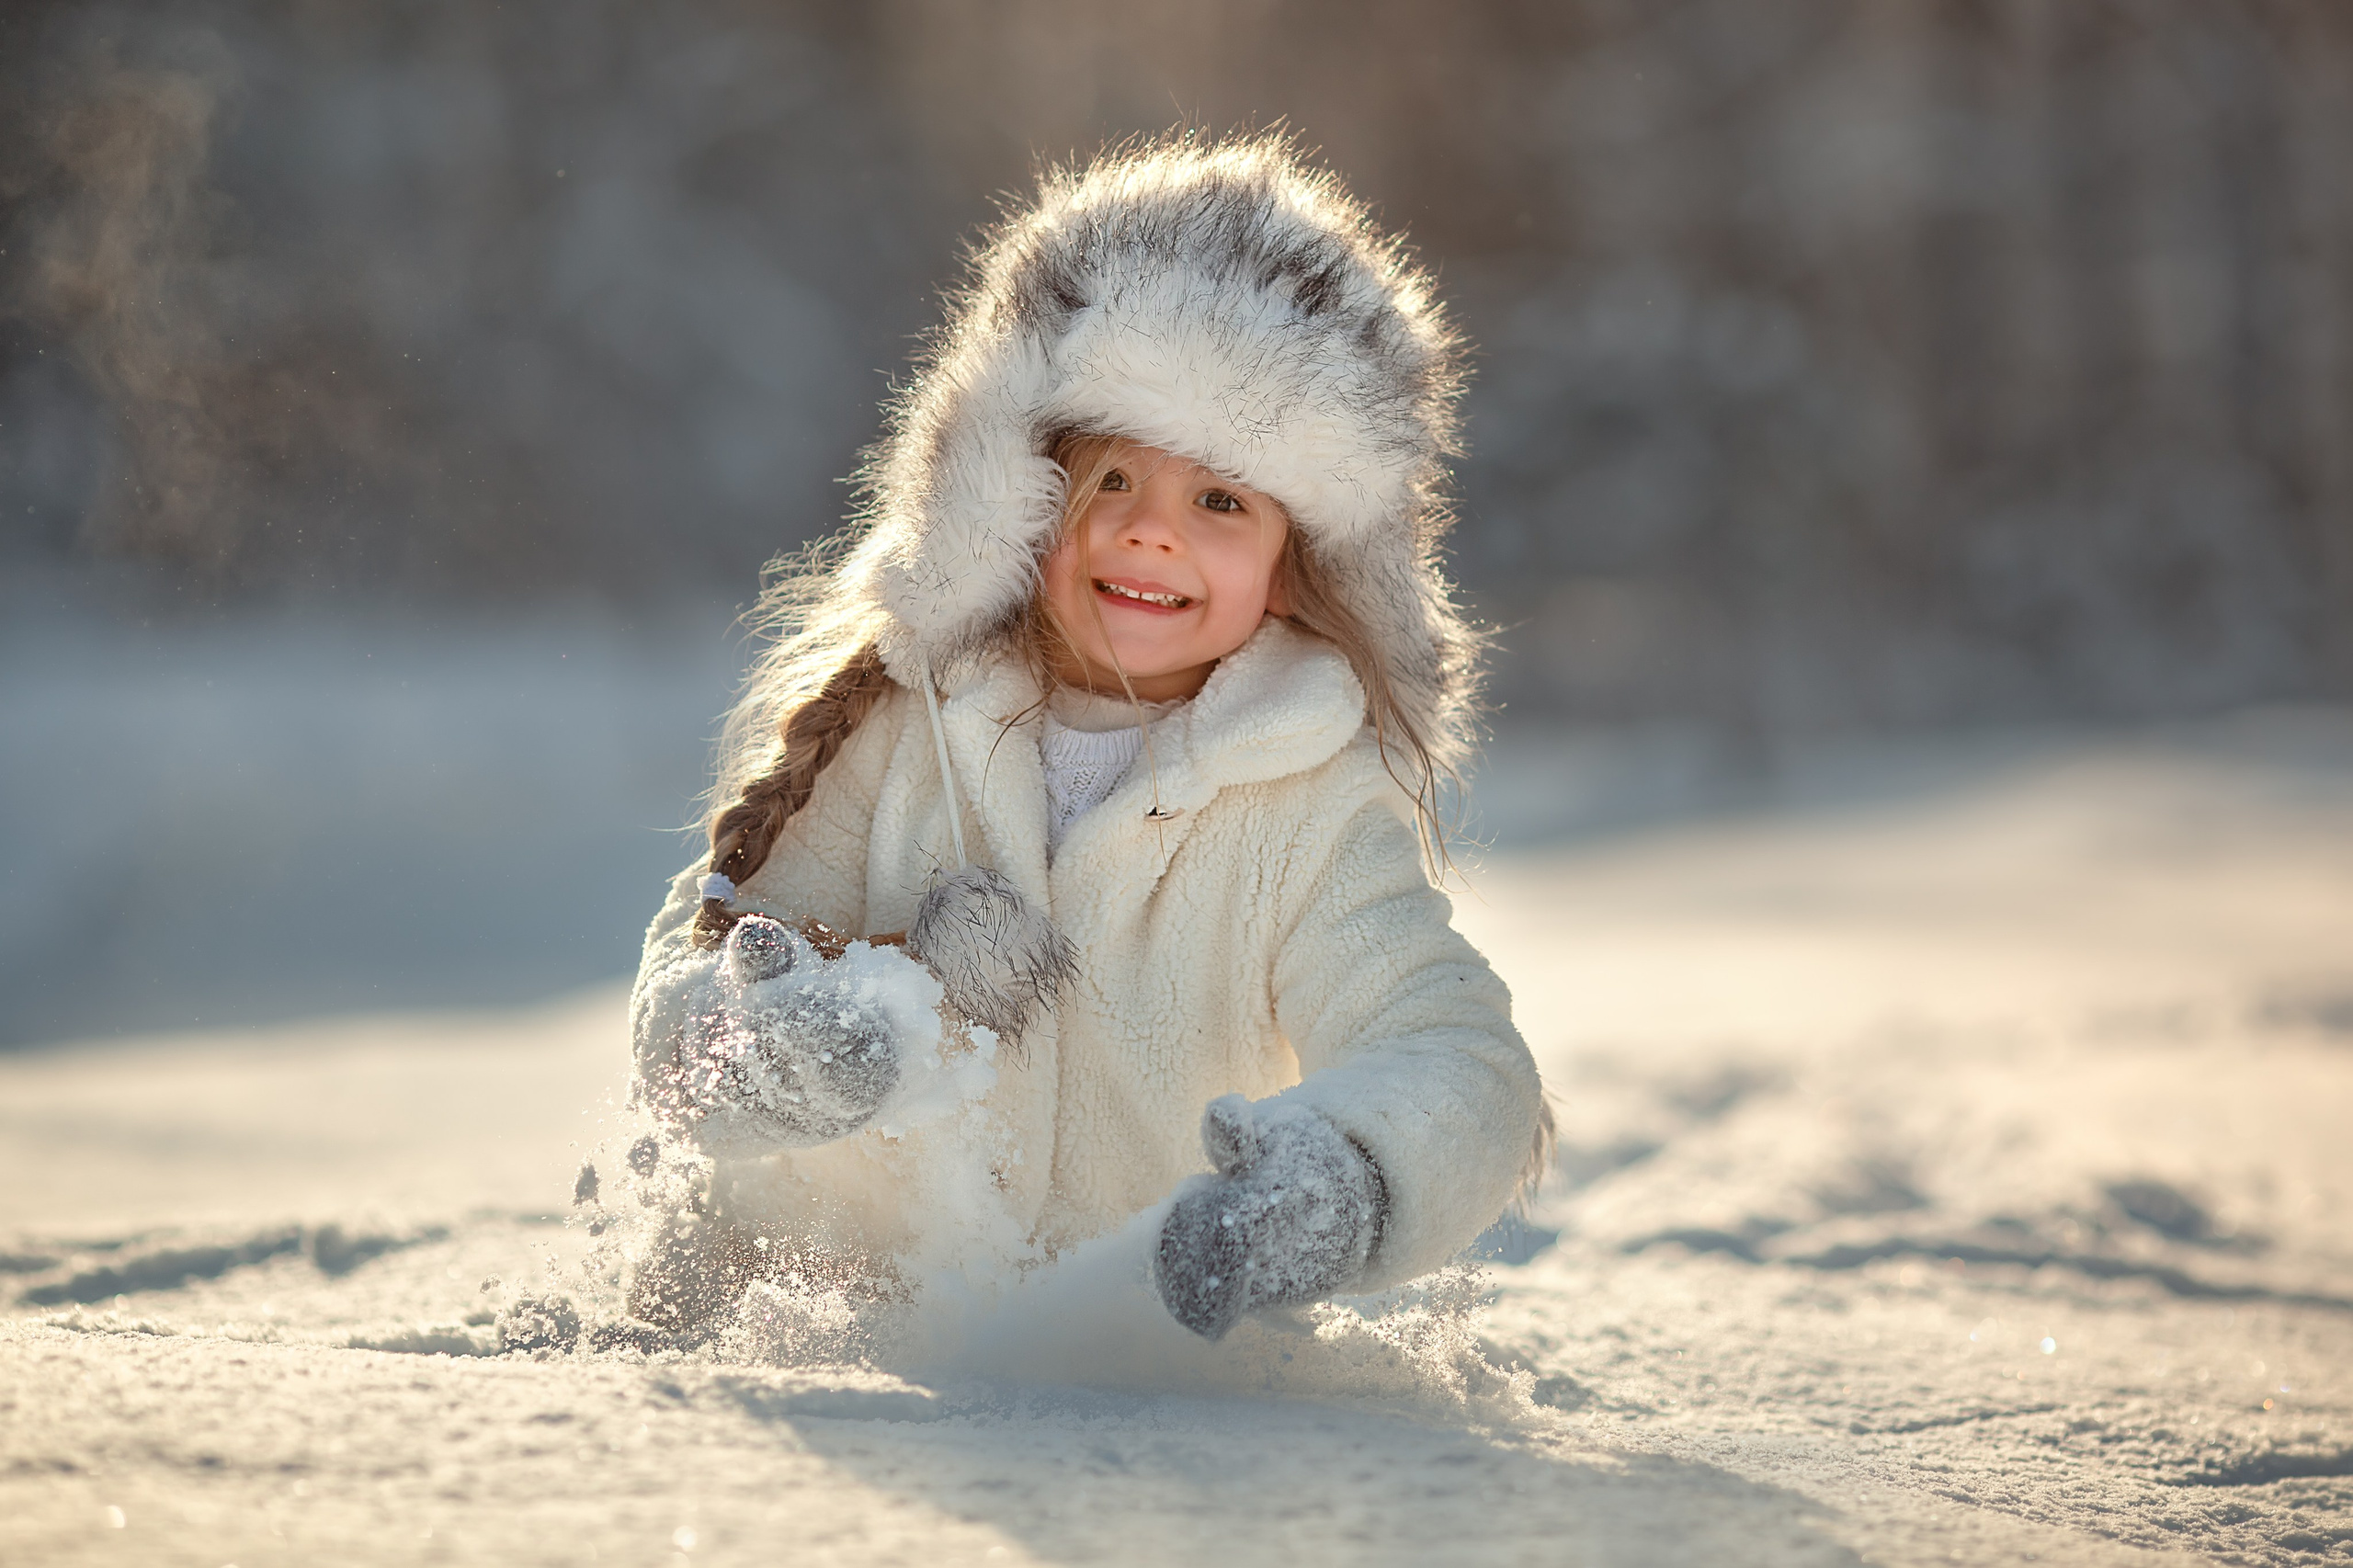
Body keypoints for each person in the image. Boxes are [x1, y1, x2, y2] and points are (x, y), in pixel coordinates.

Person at [625, 134, 1547, 1343]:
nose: (1152, 532)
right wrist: (843, 1020)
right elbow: (680, 1001)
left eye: (1220, 501)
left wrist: (1343, 1180)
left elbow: (1456, 1054)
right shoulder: (911, 726)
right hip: (819, 1350)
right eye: (1113, 478)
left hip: (1116, 1369)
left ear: (1289, 569)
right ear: (1020, 503)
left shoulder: (1301, 804)